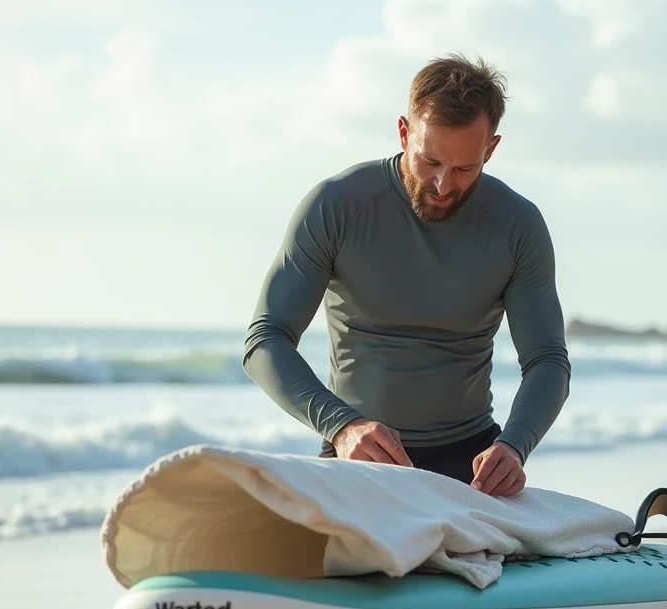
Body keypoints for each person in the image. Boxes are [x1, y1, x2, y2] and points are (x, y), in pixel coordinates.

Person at [242, 54, 571, 497]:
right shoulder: (337, 206)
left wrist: (514, 447)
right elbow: (266, 338)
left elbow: (547, 359)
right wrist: (341, 426)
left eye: (463, 169)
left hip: (474, 464)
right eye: (429, 161)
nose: (441, 184)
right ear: (404, 132)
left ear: (490, 149)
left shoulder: (517, 225)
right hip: (357, 453)